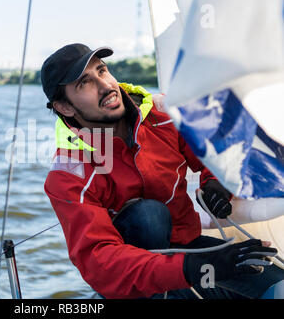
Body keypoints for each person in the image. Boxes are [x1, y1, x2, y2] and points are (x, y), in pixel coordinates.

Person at [41, 43, 284, 299]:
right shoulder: (68, 173)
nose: (106, 86)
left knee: (277, 287)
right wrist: (195, 268)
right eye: (84, 84)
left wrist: (216, 184)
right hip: (134, 278)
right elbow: (100, 262)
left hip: (189, 250)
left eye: (102, 71)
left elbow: (220, 151)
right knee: (149, 217)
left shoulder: (164, 113)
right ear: (65, 107)